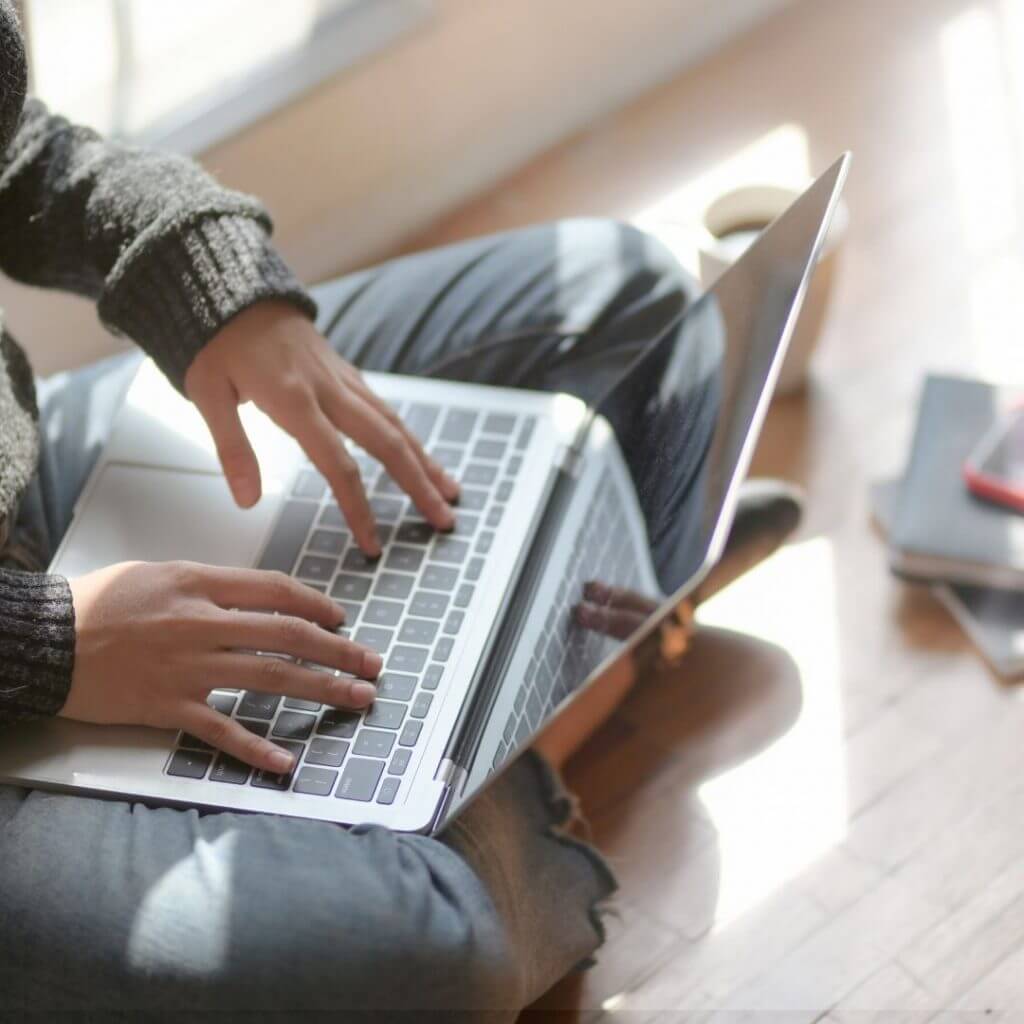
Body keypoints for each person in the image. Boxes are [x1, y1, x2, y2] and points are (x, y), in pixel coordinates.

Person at [0, 4, 801, 1018]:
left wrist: (211, 290)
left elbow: (19, 155)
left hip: (35, 475)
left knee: (625, 299)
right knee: (428, 954)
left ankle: (489, 693)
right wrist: (50, 644)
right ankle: (579, 654)